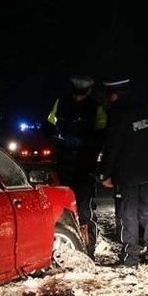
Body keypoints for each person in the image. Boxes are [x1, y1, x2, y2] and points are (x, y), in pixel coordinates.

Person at [98, 77, 148, 268]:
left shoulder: (118, 113)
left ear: (114, 95)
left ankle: (131, 259)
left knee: (128, 216)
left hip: (128, 175)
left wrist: (105, 173)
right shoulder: (144, 108)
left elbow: (113, 146)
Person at [46, 75, 107, 258]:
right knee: (82, 208)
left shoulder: (62, 103)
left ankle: (78, 249)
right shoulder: (96, 107)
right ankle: (86, 249)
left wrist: (62, 140)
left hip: (69, 164)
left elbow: (48, 126)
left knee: (70, 207)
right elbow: (102, 133)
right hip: (82, 165)